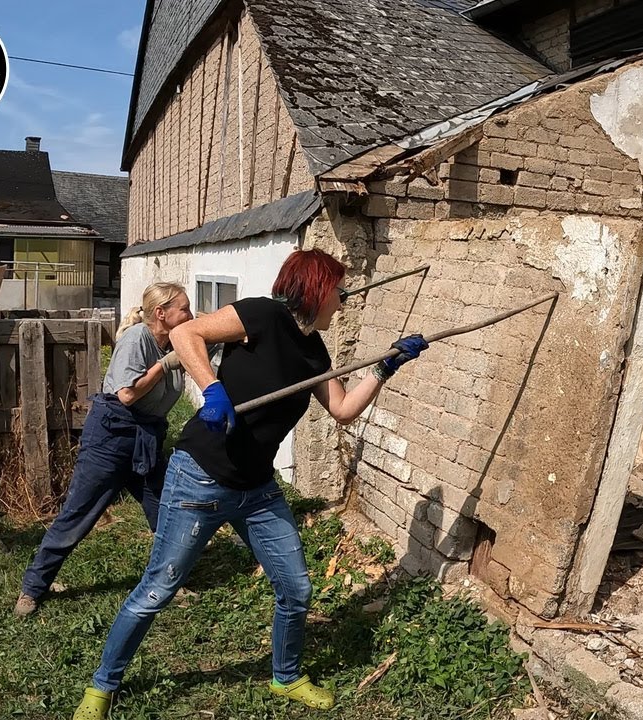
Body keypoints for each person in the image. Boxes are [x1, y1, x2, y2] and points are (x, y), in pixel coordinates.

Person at [71, 249, 428, 719]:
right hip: (199, 475)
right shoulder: (260, 313)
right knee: (159, 588)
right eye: (337, 290)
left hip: (257, 488)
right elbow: (183, 332)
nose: (341, 301)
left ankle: (286, 676)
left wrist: (385, 368)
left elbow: (342, 411)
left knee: (296, 587)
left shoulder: (314, 352)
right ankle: (102, 686)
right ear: (317, 289)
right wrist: (213, 389)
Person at [15, 283, 193, 617]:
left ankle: (168, 580)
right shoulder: (138, 339)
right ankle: (33, 589)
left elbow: (210, 344)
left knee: (167, 511)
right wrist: (163, 366)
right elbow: (126, 395)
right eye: (184, 309)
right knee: (79, 514)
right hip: (113, 435)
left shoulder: (175, 340)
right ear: (161, 314)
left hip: (147, 437)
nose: (190, 314)